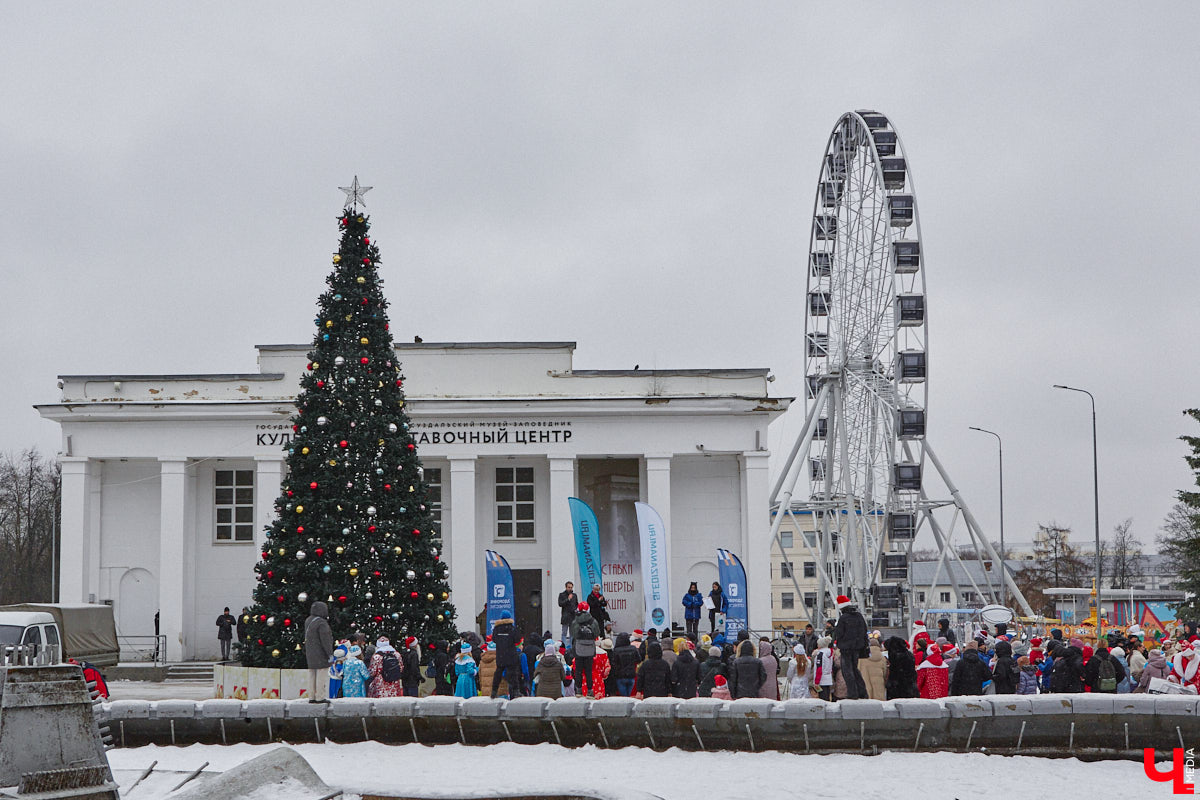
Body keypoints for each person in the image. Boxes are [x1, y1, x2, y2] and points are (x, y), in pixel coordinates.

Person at [832, 594, 868, 699]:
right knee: (855, 670)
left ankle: (853, 693)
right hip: (857, 647)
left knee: (847, 671)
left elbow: (839, 633)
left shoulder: (843, 618)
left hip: (846, 648)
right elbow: (864, 631)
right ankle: (862, 692)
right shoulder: (859, 616)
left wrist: (840, 641)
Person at [303, 601, 333, 703]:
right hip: (320, 654)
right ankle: (320, 697)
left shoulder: (308, 620)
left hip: (310, 653)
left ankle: (311, 697)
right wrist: (330, 653)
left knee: (312, 675)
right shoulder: (321, 623)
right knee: (321, 675)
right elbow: (326, 640)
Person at [570, 602, 600, 697]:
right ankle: (590, 691)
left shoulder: (575, 621)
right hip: (590, 648)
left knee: (578, 670)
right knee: (588, 671)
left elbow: (573, 634)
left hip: (578, 648)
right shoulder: (593, 621)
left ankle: (579, 691)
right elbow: (596, 633)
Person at [490, 616, 522, 699]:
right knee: (513, 674)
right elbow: (517, 640)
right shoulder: (512, 628)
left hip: (500, 655)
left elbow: (494, 639)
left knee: (498, 673)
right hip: (511, 655)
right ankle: (516, 691)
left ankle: (494, 691)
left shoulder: (496, 629)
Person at [610, 632, 641, 697]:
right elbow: (638, 660)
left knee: (624, 697)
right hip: (631, 674)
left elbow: (613, 663)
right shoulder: (633, 648)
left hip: (620, 676)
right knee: (630, 695)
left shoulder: (616, 650)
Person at [557, 582, 579, 647]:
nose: (570, 589)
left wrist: (575, 609)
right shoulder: (562, 595)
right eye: (569, 587)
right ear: (566, 587)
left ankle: (571, 647)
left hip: (572, 616)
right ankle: (564, 647)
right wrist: (568, 599)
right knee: (564, 633)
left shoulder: (574, 595)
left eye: (571, 587)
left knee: (572, 633)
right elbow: (560, 604)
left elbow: (576, 604)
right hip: (565, 616)